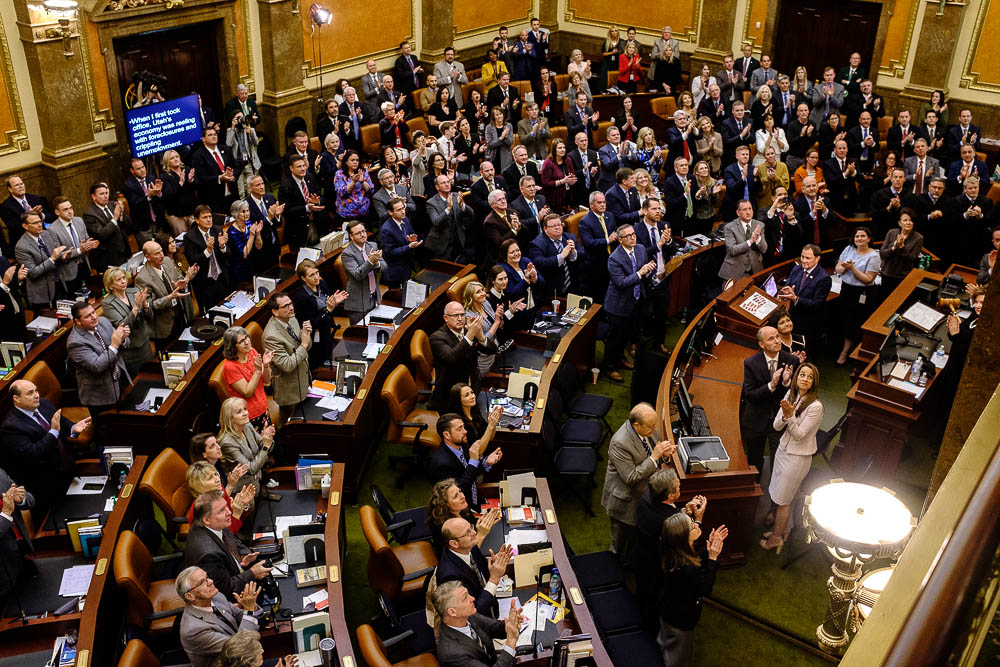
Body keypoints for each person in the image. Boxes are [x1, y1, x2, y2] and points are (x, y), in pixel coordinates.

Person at [603, 403, 676, 565]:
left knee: (637, 535)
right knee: (621, 541)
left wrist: (664, 456)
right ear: (636, 425)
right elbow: (631, 476)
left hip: (644, 495)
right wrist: (655, 457)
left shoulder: (648, 428)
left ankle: (631, 561)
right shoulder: (620, 443)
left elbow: (655, 454)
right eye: (651, 427)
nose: (654, 429)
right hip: (625, 500)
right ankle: (617, 567)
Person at [761, 362, 823, 552]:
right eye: (802, 375)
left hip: (797, 458)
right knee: (778, 493)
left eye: (809, 377)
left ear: (814, 382)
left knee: (783, 501)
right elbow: (776, 426)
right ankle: (784, 529)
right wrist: (786, 415)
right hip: (782, 451)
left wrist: (790, 415)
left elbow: (799, 434)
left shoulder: (816, 407)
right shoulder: (791, 394)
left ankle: (776, 539)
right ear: (796, 378)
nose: (805, 379)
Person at [0, 379, 87, 514]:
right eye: (30, 393)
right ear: (16, 399)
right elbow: (34, 453)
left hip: (67, 470)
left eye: (36, 390)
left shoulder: (44, 404)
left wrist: (73, 428)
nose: (36, 395)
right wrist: (53, 432)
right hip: (47, 485)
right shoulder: (11, 427)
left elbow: (60, 421)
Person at [657, 513, 728, 665]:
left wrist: (707, 552)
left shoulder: (672, 549)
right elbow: (704, 588)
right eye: (692, 526)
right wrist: (713, 558)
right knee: (677, 658)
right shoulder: (686, 569)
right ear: (684, 537)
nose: (696, 525)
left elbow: (694, 558)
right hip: (681, 619)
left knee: (665, 642)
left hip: (668, 608)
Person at [183, 490, 273, 603]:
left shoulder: (214, 524)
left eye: (226, 507)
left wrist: (244, 553)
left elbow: (233, 539)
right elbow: (226, 589)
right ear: (207, 520)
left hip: (236, 571)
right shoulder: (208, 555)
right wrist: (252, 573)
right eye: (221, 510)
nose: (229, 512)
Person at [739, 325, 799, 480]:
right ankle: (754, 488)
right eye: (771, 339)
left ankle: (776, 492)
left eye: (777, 337)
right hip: (756, 419)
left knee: (778, 460)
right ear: (761, 344)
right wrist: (771, 385)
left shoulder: (791, 360)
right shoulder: (750, 363)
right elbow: (750, 395)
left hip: (779, 419)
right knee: (754, 460)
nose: (777, 341)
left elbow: (796, 394)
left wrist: (786, 383)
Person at [177, 566, 261, 667]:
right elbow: (239, 649)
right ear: (190, 596)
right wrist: (249, 610)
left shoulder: (216, 597)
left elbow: (239, 615)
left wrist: (252, 607)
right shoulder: (193, 630)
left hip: (245, 655)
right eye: (201, 582)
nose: (211, 581)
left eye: (207, 577)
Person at [602, 224, 654, 382]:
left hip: (636, 302)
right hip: (618, 306)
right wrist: (640, 273)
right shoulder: (614, 258)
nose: (632, 238)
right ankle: (609, 367)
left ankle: (620, 359)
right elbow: (621, 282)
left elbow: (643, 274)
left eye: (633, 234)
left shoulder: (640, 249)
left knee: (627, 335)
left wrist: (648, 271)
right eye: (628, 236)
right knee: (614, 340)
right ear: (619, 240)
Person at [433, 580, 522, 667]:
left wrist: (511, 623)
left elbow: (493, 627)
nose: (472, 598)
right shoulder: (452, 655)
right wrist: (511, 642)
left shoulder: (468, 616)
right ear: (452, 612)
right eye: (465, 598)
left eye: (468, 594)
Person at [436, 517, 512, 617]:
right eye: (467, 532)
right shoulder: (449, 576)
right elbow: (473, 611)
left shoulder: (468, 546)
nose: (474, 532)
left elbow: (481, 570)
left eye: (471, 527)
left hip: (491, 606)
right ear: (454, 543)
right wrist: (494, 578)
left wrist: (494, 564)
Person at [66, 300, 131, 419]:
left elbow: (123, 343)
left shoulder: (103, 322)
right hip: (100, 395)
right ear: (78, 321)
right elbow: (97, 366)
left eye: (93, 312)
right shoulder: (75, 342)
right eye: (88, 316)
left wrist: (123, 338)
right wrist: (115, 344)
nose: (94, 317)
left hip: (119, 379)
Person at [429, 301, 499, 410]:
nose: (460, 318)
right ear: (446, 318)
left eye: (462, 314)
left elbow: (492, 350)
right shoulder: (437, 337)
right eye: (455, 315)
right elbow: (452, 358)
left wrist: (480, 336)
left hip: (472, 386)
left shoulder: (468, 330)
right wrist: (471, 334)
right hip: (451, 393)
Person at [429, 411, 503, 506]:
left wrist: (486, 462)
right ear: (447, 435)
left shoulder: (462, 445)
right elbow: (460, 490)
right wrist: (473, 461)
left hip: (474, 501)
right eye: (459, 429)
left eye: (463, 427)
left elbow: (469, 472)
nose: (465, 431)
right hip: (461, 509)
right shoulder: (441, 464)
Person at [135, 239, 197, 349]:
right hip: (164, 328)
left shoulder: (168, 261)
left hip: (181, 316)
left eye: (161, 251)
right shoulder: (142, 278)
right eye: (157, 253)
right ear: (148, 257)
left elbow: (178, 279)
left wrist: (184, 280)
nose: (162, 255)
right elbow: (149, 306)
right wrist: (169, 298)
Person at [262, 292, 311, 427]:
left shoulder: (292, 319)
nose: (291, 308)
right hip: (289, 390)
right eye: (286, 306)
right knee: (286, 428)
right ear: (275, 311)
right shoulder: (271, 336)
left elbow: (305, 347)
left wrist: (306, 336)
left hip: (303, 380)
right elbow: (287, 365)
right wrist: (304, 344)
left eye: (291, 303)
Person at [218, 397, 278, 500]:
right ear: (230, 417)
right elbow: (250, 469)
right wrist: (265, 446)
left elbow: (265, 445)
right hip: (242, 492)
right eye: (239, 412)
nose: (245, 413)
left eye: (245, 409)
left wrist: (268, 438)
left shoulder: (246, 426)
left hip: (256, 483)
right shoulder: (227, 442)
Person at [777, 244, 831, 359]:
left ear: (817, 258)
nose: (804, 261)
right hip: (793, 317)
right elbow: (789, 284)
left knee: (808, 353)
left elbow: (816, 304)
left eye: (808, 258)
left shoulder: (824, 278)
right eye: (802, 257)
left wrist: (796, 299)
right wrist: (787, 290)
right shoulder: (797, 268)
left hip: (810, 323)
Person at [101, 267, 154, 376]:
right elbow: (122, 325)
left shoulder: (134, 291)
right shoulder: (107, 303)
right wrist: (136, 307)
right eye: (118, 280)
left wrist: (145, 304)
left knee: (151, 375)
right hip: (130, 351)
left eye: (124, 277)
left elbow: (150, 317)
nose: (123, 281)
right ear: (111, 285)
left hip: (145, 344)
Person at [426, 478, 500, 551]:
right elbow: (468, 555)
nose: (463, 496)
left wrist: (486, 522)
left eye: (460, 491)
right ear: (445, 505)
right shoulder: (446, 527)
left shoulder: (461, 509)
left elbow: (475, 525)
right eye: (455, 496)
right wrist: (481, 534)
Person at [221, 326, 273, 429]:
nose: (247, 342)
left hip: (263, 407)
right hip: (248, 416)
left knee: (270, 440)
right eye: (241, 341)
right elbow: (247, 392)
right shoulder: (230, 367)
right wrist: (258, 371)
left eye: (246, 338)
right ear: (232, 347)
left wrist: (266, 365)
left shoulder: (251, 352)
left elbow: (266, 382)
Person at [185, 461, 254, 536]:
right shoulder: (203, 510)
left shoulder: (218, 490)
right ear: (198, 485)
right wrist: (237, 512)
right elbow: (225, 537)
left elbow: (232, 514)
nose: (217, 479)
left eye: (215, 474)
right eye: (210, 478)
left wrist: (243, 505)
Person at [48, 196, 98, 296]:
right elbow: (57, 255)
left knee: (92, 295)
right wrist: (80, 250)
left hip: (85, 266)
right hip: (69, 272)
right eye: (65, 209)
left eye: (70, 208)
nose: (70, 211)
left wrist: (90, 244)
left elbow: (86, 239)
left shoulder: (79, 220)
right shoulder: (52, 229)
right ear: (57, 212)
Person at [527, 213, 584, 299]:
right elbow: (540, 263)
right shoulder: (537, 244)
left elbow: (583, 253)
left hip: (573, 287)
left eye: (559, 225)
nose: (557, 227)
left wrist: (573, 253)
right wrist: (561, 256)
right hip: (551, 291)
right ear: (545, 229)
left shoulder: (570, 237)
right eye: (553, 226)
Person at [0, 469, 34, 610]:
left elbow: (30, 499)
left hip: (22, 553)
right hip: (3, 572)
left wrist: (21, 500)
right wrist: (6, 513)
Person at [341, 220, 386, 323]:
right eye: (358, 233)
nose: (362, 235)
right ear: (351, 237)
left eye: (363, 231)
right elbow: (358, 274)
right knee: (360, 335)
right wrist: (371, 261)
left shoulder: (372, 245)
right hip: (358, 303)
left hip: (374, 297)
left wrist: (377, 263)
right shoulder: (347, 253)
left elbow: (384, 266)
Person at [0, 175, 53, 256]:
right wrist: (28, 215)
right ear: (10, 189)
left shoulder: (35, 198)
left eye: (21, 183)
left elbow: (51, 217)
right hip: (24, 242)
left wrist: (41, 215)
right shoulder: (5, 207)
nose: (20, 186)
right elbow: (14, 227)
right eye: (17, 185)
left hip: (43, 236)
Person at [82, 182, 130, 271]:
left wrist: (122, 214)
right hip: (109, 256)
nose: (105, 196)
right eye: (101, 194)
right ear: (93, 197)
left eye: (106, 193)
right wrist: (115, 218)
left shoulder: (112, 204)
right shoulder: (89, 214)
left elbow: (129, 224)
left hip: (124, 251)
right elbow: (101, 234)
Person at [192, 127, 238, 215]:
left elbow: (237, 166)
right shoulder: (198, 155)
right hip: (214, 199)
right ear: (203, 139)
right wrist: (219, 178)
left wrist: (232, 175)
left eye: (215, 134)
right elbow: (200, 178)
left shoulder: (225, 149)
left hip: (232, 195)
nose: (213, 136)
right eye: (210, 135)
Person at [426, 174, 471, 263]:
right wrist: (448, 208)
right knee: (443, 272)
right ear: (437, 187)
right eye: (443, 183)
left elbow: (472, 214)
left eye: (448, 182)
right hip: (441, 244)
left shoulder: (456, 196)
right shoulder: (431, 202)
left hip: (458, 240)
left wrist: (462, 205)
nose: (447, 184)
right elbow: (436, 221)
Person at [718, 199, 767, 281]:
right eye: (744, 210)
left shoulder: (760, 225)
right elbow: (732, 250)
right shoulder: (729, 227)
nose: (748, 212)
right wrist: (751, 241)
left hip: (755, 270)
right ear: (738, 212)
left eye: (750, 209)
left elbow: (764, 249)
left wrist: (758, 239)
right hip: (734, 271)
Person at [880, 208, 925, 294]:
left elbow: (911, 259)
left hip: (902, 276)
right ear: (899, 223)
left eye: (911, 220)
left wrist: (902, 248)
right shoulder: (892, 232)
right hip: (887, 273)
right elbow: (882, 254)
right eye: (905, 220)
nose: (908, 222)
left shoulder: (918, 238)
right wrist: (893, 248)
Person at [462, 281, 503, 375]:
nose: (483, 293)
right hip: (483, 358)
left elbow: (499, 325)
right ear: (470, 296)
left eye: (482, 290)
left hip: (494, 349)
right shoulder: (468, 316)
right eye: (478, 292)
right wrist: (497, 322)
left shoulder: (485, 303)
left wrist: (499, 317)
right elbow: (483, 340)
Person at [758, 186, 802, 267]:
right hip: (770, 256)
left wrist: (790, 218)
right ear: (773, 198)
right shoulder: (764, 211)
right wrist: (773, 208)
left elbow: (798, 236)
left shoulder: (795, 213)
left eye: (785, 194)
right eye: (780, 194)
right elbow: (761, 228)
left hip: (789, 255)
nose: (783, 197)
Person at [121, 159, 163, 243]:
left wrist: (159, 193)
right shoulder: (128, 185)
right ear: (132, 171)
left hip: (157, 222)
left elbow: (160, 201)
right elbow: (135, 204)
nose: (142, 170)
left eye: (143, 167)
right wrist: (148, 196)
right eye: (138, 168)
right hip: (143, 226)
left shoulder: (151, 178)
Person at [161, 150, 198, 235]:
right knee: (183, 242)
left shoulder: (187, 169)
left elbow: (198, 185)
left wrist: (191, 180)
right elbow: (168, 195)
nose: (175, 159)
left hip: (191, 212)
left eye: (177, 157)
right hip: (176, 215)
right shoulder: (164, 176)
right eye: (172, 158)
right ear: (167, 162)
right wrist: (180, 184)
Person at [225, 200, 262, 285]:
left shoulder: (249, 224)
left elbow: (259, 246)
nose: (247, 213)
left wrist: (258, 233)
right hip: (241, 270)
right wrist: (252, 235)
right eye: (243, 211)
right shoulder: (232, 232)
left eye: (247, 210)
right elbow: (245, 254)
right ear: (235, 214)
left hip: (253, 264)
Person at [794, 175, 832, 248]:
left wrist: (824, 209)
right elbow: (800, 226)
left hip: (824, 242)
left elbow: (832, 222)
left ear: (817, 187)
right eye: (808, 186)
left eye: (814, 185)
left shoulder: (826, 200)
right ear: (803, 190)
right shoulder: (797, 204)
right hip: (805, 243)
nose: (812, 188)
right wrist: (813, 212)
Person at [539, 138, 576, 212]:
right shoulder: (548, 163)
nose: (563, 150)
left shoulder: (568, 160)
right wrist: (563, 181)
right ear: (553, 150)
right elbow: (545, 183)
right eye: (559, 148)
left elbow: (572, 175)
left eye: (564, 147)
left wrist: (572, 180)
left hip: (568, 194)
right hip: (554, 198)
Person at [691, 160, 725, 237]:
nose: (705, 170)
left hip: (710, 215)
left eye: (706, 168)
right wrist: (700, 195)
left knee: (708, 238)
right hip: (697, 217)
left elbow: (715, 202)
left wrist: (713, 194)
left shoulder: (713, 182)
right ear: (696, 172)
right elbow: (693, 203)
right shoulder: (693, 183)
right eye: (702, 168)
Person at [755, 146, 790, 210]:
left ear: (775, 154)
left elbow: (786, 184)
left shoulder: (783, 166)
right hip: (764, 200)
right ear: (764, 156)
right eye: (768, 154)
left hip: (780, 200)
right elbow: (758, 187)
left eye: (772, 153)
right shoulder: (760, 168)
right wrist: (767, 178)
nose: (770, 156)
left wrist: (775, 177)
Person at [484, 106, 514, 172]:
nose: (499, 116)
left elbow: (510, 143)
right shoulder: (489, 127)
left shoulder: (509, 125)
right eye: (497, 115)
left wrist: (505, 137)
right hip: (493, 157)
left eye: (500, 114)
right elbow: (489, 144)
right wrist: (500, 138)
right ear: (493, 116)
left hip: (505, 157)